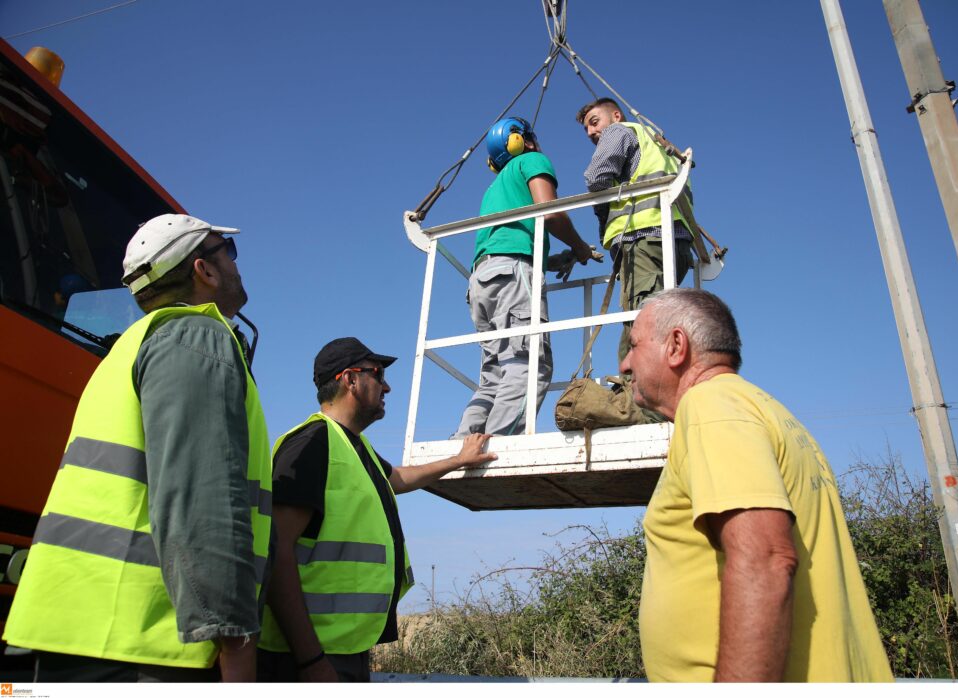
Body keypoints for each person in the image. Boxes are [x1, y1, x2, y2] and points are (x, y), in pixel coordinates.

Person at [3, 213, 272, 682]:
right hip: (145, 646)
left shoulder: (131, 346)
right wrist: (236, 643)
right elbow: (201, 497)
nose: (234, 262)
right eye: (227, 251)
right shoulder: (196, 335)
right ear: (203, 271)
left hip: (84, 632)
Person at [621, 288, 893, 682]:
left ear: (676, 346)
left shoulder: (710, 406)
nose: (626, 364)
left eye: (633, 345)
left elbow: (765, 560)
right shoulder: (766, 410)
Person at [259, 337, 497, 682]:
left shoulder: (356, 447)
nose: (386, 385)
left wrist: (458, 460)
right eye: (377, 374)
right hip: (304, 657)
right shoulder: (311, 443)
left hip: (341, 649)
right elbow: (276, 551)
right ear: (349, 379)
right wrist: (310, 660)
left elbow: (397, 478)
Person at [454, 116, 602, 437]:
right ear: (521, 141)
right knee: (530, 365)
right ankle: (498, 449)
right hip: (512, 273)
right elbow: (549, 211)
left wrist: (554, 259)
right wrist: (578, 248)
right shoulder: (533, 160)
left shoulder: (496, 187)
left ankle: (465, 440)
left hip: (482, 280)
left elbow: (509, 243)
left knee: (493, 374)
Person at [576, 98, 695, 364]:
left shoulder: (618, 131)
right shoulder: (657, 144)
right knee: (654, 318)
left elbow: (596, 177)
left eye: (595, 122)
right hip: (674, 242)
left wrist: (603, 217)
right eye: (586, 129)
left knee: (643, 324)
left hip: (643, 237)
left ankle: (638, 399)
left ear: (616, 116)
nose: (592, 132)